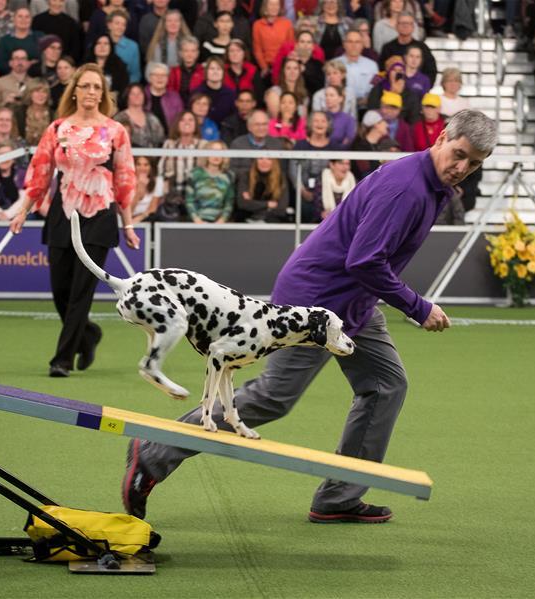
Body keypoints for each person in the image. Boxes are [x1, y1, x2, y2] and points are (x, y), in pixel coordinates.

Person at [121, 109, 497, 523]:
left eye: (475, 163)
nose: (463, 168)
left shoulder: (430, 185)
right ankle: (152, 452)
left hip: (354, 304)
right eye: (459, 154)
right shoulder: (406, 188)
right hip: (315, 303)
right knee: (272, 397)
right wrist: (418, 307)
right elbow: (366, 261)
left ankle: (338, 497)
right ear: (442, 137)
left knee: (386, 385)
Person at [9, 64, 138, 378]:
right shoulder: (57, 128)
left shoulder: (115, 131)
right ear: (75, 90)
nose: (91, 92)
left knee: (81, 291)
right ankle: (88, 333)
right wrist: (24, 209)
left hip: (101, 213)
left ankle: (62, 360)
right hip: (62, 213)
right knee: (60, 290)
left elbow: (125, 178)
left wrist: (129, 224)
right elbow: (40, 171)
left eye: (97, 87)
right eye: (86, 86)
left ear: (102, 94)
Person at [185, 140, 236, 223]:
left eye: (220, 152)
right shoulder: (195, 174)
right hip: (197, 222)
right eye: (213, 152)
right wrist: (197, 220)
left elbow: (229, 202)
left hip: (220, 223)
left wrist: (221, 220)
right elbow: (189, 201)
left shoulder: (229, 176)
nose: (216, 156)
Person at [237, 156, 289, 221]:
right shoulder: (246, 176)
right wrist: (268, 204)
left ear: (274, 162)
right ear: (255, 161)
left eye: (269, 159)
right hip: (246, 220)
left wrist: (253, 204)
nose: (264, 162)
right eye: (260, 158)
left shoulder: (281, 178)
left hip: (272, 222)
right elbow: (242, 204)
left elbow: (281, 208)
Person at [115, 82, 165, 148]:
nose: (137, 96)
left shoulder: (152, 119)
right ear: (127, 96)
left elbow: (161, 141)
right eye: (133, 93)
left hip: (152, 156)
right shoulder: (119, 118)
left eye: (140, 93)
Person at [252, 0, 295, 78]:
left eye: (276, 5)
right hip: (267, 67)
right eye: (271, 4)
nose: (274, 7)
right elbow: (257, 49)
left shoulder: (287, 23)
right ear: (265, 7)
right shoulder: (257, 25)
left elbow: (291, 46)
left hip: (284, 65)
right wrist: (264, 67)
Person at [351, 109, 390, 179]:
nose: (387, 124)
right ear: (376, 124)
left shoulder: (381, 145)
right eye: (384, 121)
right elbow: (365, 174)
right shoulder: (359, 147)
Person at [130, 155, 163, 223]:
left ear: (151, 167)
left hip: (147, 218)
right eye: (138, 164)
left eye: (146, 165)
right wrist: (139, 192)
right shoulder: (128, 181)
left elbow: (152, 208)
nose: (142, 168)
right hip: (129, 217)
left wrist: (139, 218)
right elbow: (129, 211)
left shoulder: (158, 181)